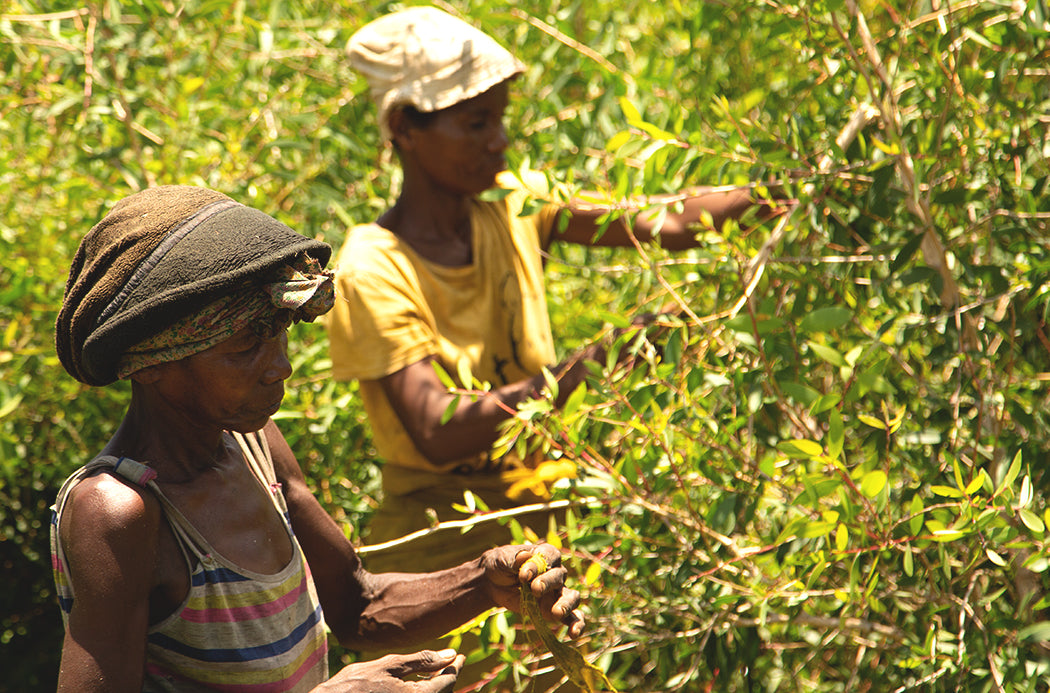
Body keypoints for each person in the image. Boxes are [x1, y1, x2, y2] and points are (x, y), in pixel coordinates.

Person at [49, 185, 584, 693]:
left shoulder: (254, 444)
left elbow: (357, 604)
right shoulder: (118, 513)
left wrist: (485, 582)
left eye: (279, 331)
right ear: (150, 363)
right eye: (242, 347)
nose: (279, 366)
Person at [327, 5, 784, 573]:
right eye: (475, 124)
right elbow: (437, 431)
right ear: (404, 129)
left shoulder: (514, 201)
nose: (500, 143)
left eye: (499, 119)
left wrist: (783, 190)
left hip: (549, 526)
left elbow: (666, 222)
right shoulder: (372, 267)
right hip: (443, 546)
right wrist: (591, 364)